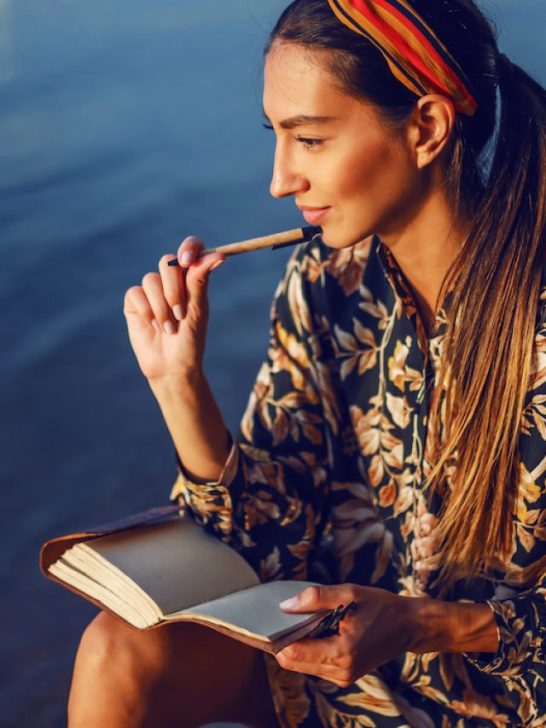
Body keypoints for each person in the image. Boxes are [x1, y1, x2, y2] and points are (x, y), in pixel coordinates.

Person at [67, 0, 546, 726]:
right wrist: (179, 386)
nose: (280, 180)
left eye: (310, 139)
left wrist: (422, 624)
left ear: (426, 127)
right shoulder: (325, 283)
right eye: (278, 138)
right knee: (114, 650)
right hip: (330, 677)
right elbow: (271, 536)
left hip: (502, 704)